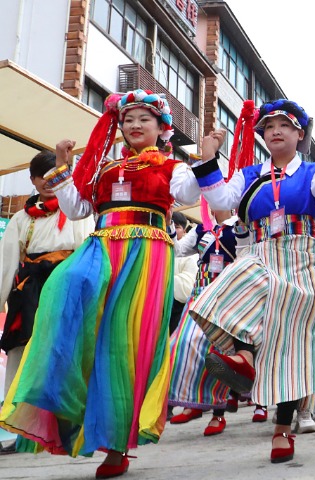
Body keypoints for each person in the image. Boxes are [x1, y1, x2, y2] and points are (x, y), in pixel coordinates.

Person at [0, 89, 202, 478]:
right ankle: (57, 405)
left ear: (162, 128)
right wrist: (62, 164)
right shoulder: (105, 169)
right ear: (119, 127)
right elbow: (76, 208)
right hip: (101, 248)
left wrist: (206, 159)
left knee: (123, 346)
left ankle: (116, 445)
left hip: (147, 254)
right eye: (128, 120)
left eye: (144, 119)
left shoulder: (170, 167)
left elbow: (191, 194)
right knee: (66, 302)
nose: (135, 125)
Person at [187, 99, 315, 463]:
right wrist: (209, 159)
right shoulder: (247, 174)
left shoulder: (310, 172)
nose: (276, 131)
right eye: (269, 126)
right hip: (259, 252)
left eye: (285, 126)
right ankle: (242, 356)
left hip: (302, 257)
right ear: (262, 135)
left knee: (289, 345)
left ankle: (282, 428)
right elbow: (222, 202)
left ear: (300, 134)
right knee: (216, 298)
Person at [0, 151, 94, 454]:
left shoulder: (81, 212)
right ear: (33, 181)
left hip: (69, 289)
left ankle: (68, 429)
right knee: (21, 356)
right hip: (30, 294)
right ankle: (18, 430)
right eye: (42, 175)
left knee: (68, 355)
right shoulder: (21, 217)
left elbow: (89, 251)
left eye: (55, 174)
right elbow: (6, 263)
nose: (48, 181)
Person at [167, 209, 244, 436]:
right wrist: (170, 226)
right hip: (199, 292)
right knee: (181, 344)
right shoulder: (202, 227)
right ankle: (194, 402)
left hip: (224, 293)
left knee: (216, 352)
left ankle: (218, 412)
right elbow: (179, 250)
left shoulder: (239, 226)